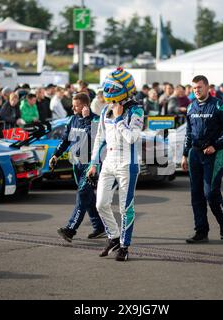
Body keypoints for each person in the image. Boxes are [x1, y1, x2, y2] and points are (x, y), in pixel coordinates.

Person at [87, 67, 144, 261]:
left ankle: (124, 246)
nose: (109, 92)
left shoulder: (136, 109)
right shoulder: (105, 110)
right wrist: (93, 163)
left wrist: (119, 118)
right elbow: (99, 138)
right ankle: (113, 236)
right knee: (100, 203)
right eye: (108, 87)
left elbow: (132, 137)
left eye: (113, 88)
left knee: (125, 208)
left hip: (128, 164)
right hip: (108, 162)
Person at [181, 75, 223, 243]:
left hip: (213, 154)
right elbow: (189, 134)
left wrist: (216, 146)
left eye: (199, 87)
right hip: (194, 155)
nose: (196, 90)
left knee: (210, 193)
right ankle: (201, 232)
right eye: (194, 88)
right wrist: (184, 154)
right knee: (196, 195)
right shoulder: (191, 107)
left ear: (207, 88)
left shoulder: (219, 105)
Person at [49, 93, 106, 242]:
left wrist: (87, 119)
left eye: (76, 105)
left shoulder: (95, 119)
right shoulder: (72, 119)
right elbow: (65, 140)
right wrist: (55, 155)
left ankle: (70, 230)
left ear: (85, 106)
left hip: (91, 166)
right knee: (88, 198)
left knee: (82, 196)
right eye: (73, 105)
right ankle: (99, 227)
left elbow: (96, 138)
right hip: (77, 166)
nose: (72, 107)